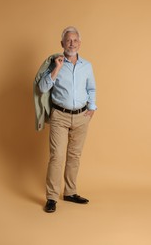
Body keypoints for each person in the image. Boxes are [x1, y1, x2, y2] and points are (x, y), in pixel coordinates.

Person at [38, 26, 97, 213]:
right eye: (68, 40)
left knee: (74, 156)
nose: (72, 43)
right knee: (57, 157)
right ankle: (51, 198)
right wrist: (57, 68)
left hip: (81, 117)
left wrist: (92, 107)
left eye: (75, 40)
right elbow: (42, 87)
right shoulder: (54, 63)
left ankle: (70, 192)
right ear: (62, 43)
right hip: (60, 116)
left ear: (80, 43)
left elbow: (91, 89)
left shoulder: (87, 66)